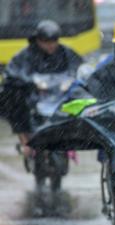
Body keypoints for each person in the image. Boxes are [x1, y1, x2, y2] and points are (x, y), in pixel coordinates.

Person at [2, 20, 82, 158]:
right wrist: (30, 82)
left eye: (53, 41)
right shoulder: (25, 54)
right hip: (33, 96)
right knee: (13, 96)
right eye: (46, 41)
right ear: (38, 40)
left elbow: (79, 67)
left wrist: (70, 81)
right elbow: (12, 72)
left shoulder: (65, 52)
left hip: (59, 94)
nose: (50, 45)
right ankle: (24, 140)